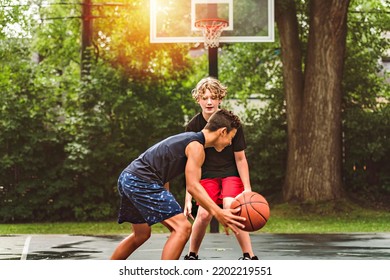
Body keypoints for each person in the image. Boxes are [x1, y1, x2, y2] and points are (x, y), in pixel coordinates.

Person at [110, 109, 246, 260]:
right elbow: (193, 187)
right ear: (222, 132)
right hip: (141, 181)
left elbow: (162, 168)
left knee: (141, 235)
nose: (230, 143)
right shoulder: (196, 147)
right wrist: (218, 212)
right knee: (183, 228)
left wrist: (166, 201)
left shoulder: (188, 139)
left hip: (128, 177)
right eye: (231, 137)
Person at [183, 77, 258, 260]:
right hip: (206, 175)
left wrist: (247, 189)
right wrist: (189, 195)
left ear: (220, 99)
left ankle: (249, 256)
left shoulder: (232, 122)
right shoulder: (193, 126)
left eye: (213, 97)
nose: (209, 101)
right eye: (205, 97)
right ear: (198, 99)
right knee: (203, 214)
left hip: (230, 173)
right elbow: (190, 165)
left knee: (232, 208)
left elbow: (240, 158)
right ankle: (192, 255)